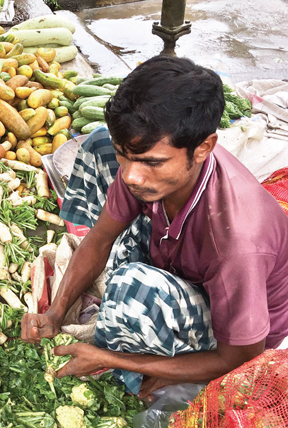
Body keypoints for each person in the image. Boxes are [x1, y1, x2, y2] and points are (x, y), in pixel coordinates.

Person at [21, 56, 288, 398]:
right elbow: (101, 238)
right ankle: (139, 317)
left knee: (134, 288)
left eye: (152, 162)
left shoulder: (236, 240)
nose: (131, 175)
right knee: (98, 143)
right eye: (126, 156)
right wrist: (55, 313)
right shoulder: (149, 170)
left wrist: (112, 358)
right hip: (188, 267)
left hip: (241, 339)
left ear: (204, 147)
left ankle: (145, 371)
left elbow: (241, 356)